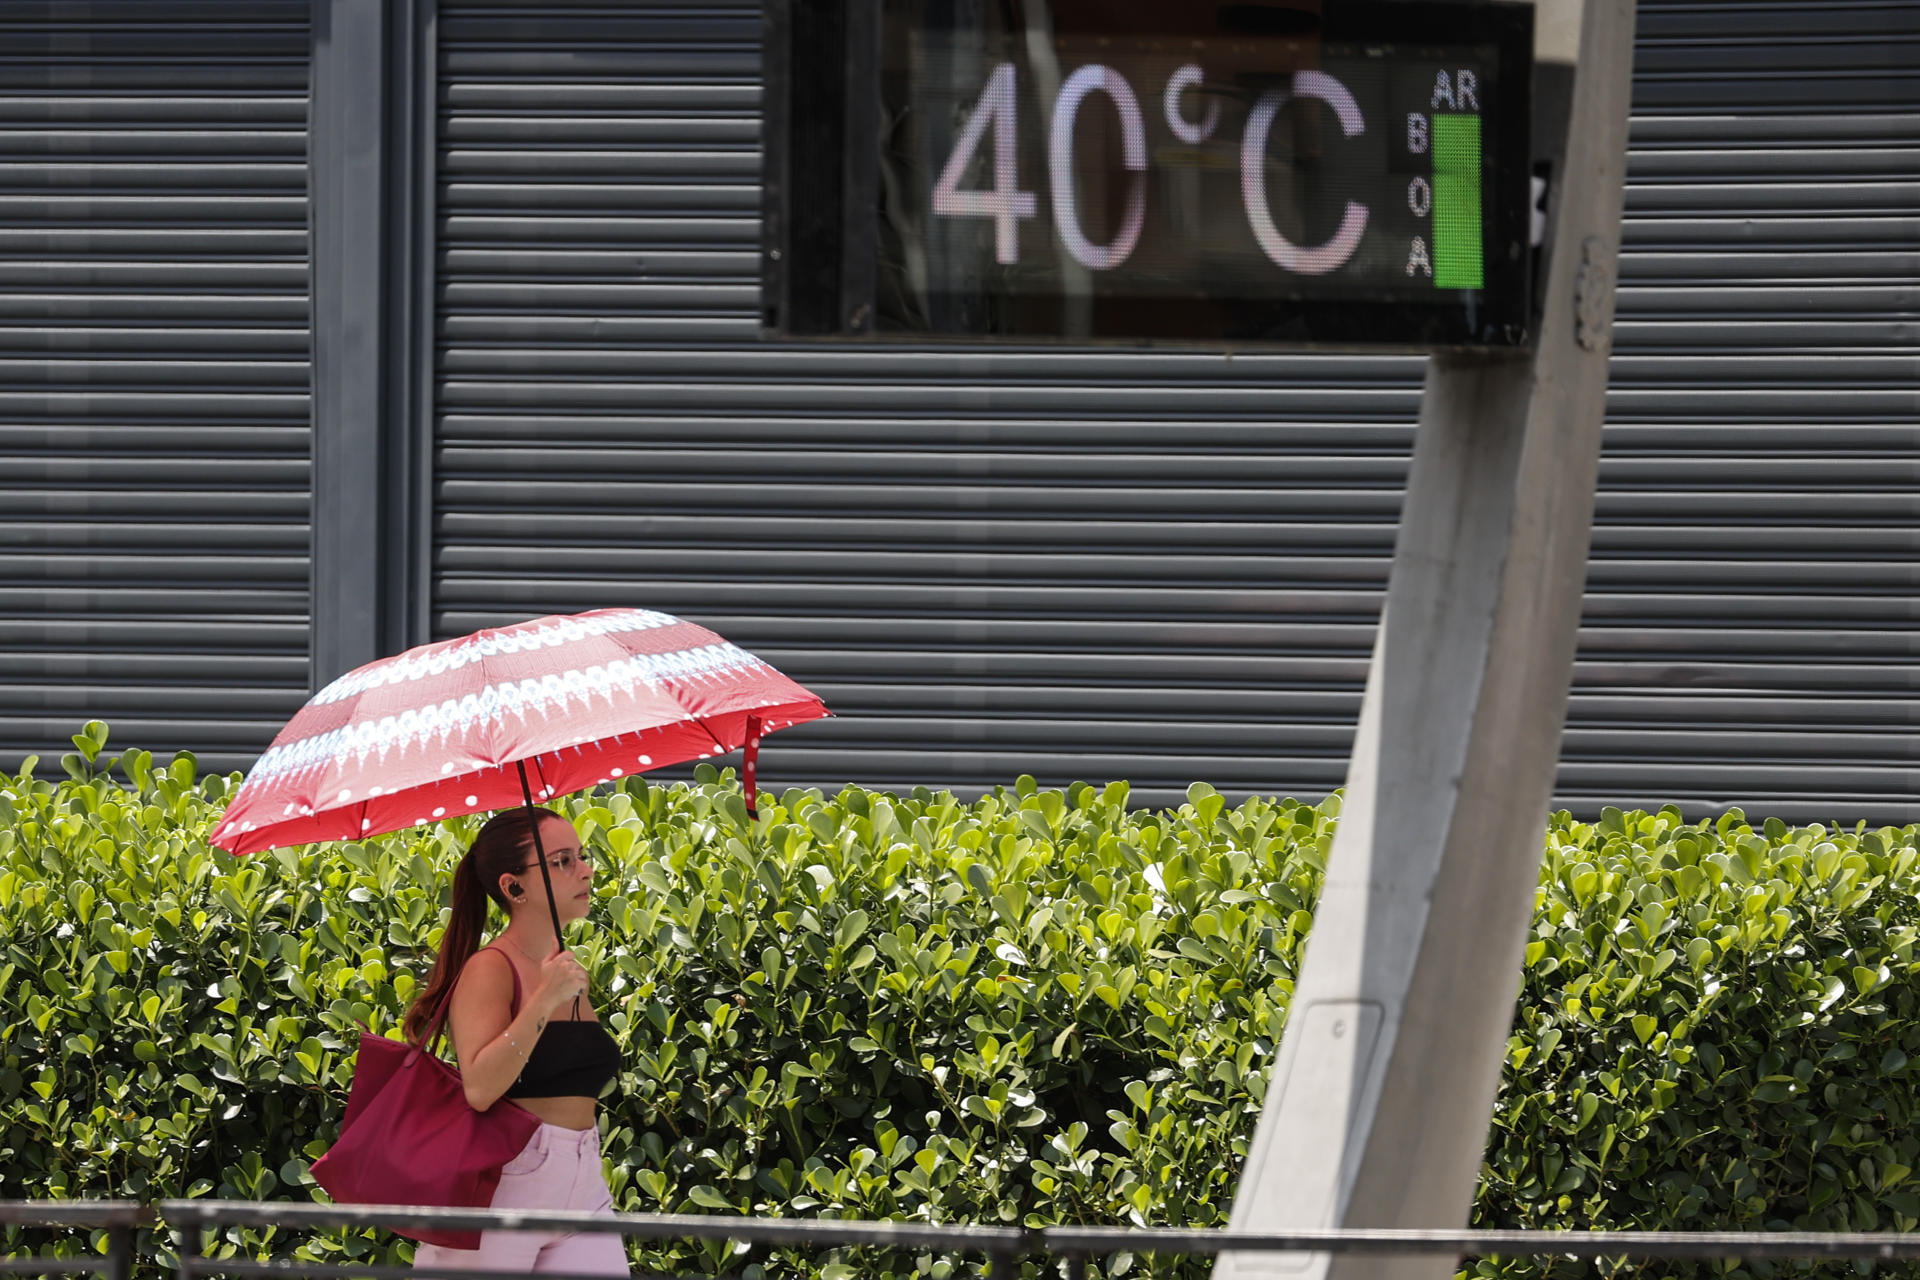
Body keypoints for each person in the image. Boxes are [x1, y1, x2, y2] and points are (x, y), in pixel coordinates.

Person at [403, 807, 627, 1275]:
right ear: (513, 886)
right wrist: (543, 1001)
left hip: (583, 1180)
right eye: (563, 860)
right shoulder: (491, 968)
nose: (584, 870)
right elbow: (480, 1088)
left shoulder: (564, 969)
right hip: (506, 1182)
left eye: (581, 856)